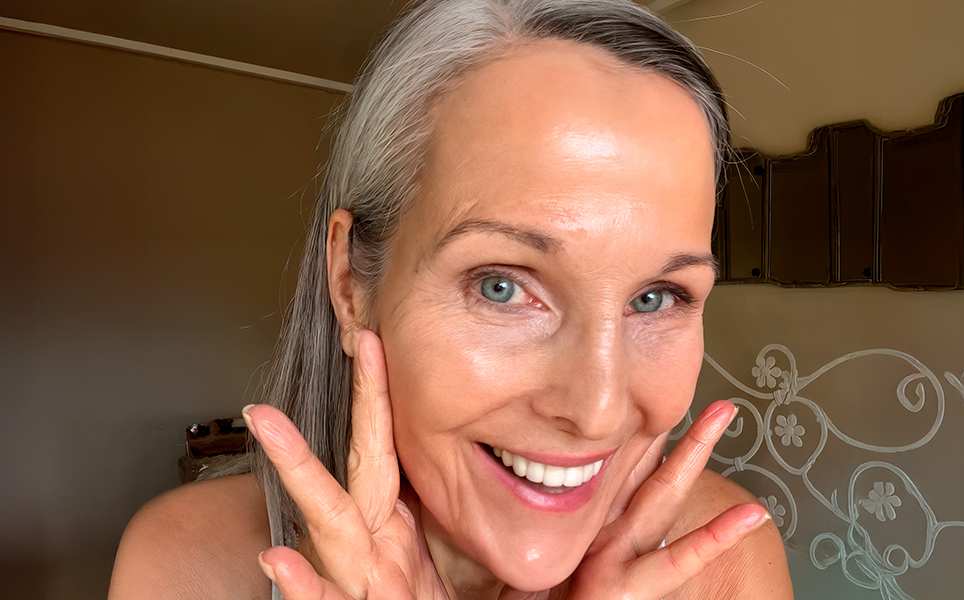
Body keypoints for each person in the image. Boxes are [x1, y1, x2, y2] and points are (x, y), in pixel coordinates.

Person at [109, 0, 793, 598]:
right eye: (503, 287)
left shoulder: (724, 561)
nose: (597, 412)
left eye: (655, 298)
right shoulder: (192, 563)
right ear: (350, 283)